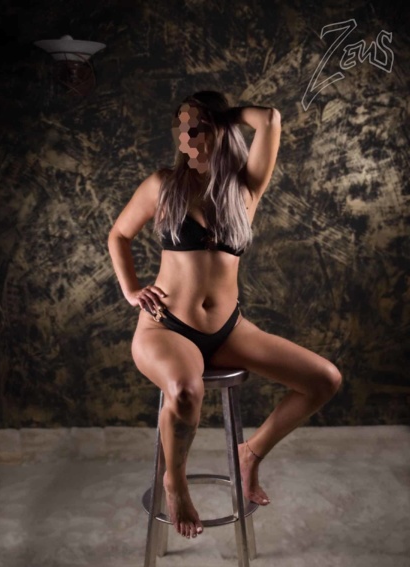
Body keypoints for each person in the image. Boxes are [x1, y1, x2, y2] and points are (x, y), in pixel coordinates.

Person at [108, 90, 342, 541]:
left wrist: (222, 115)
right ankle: (175, 481)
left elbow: (270, 119)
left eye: (198, 128)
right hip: (166, 329)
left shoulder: (246, 188)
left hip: (229, 330)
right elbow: (119, 234)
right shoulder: (163, 185)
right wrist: (131, 290)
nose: (187, 139)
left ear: (221, 130)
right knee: (184, 391)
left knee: (324, 379)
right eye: (182, 130)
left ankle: (249, 453)